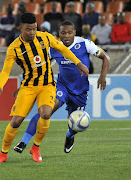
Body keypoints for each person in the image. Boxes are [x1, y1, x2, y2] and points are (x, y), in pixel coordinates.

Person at [0, 13, 89, 163]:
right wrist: (0, 85)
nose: (32, 32)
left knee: (45, 113)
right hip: (28, 86)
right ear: (21, 28)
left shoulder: (45, 37)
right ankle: (3, 153)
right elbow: (6, 69)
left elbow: (63, 50)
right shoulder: (14, 48)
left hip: (47, 85)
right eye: (28, 29)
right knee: (16, 122)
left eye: (34, 28)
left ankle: (35, 148)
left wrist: (78, 63)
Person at [14, 20, 110, 155]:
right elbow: (37, 66)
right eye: (63, 33)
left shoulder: (84, 44)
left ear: (74, 33)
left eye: (69, 33)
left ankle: (70, 136)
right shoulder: (53, 47)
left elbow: (106, 58)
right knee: (45, 112)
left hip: (80, 91)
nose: (66, 36)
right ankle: (24, 141)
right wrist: (25, 84)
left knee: (75, 123)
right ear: (59, 34)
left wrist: (102, 76)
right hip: (62, 86)